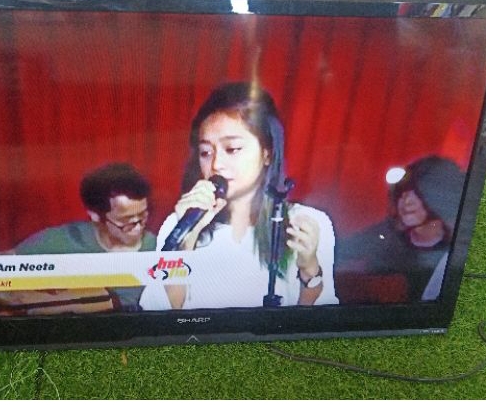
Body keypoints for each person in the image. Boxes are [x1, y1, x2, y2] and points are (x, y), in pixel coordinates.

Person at [140, 82, 338, 310]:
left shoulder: (307, 223)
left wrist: (310, 270)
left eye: (232, 149)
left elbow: (317, 324)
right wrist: (186, 243)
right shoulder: (179, 224)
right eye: (206, 152)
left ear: (267, 153)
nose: (216, 164)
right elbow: (158, 317)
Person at [0, 162, 156, 311]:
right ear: (95, 215)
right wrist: (35, 302)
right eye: (126, 221)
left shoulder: (157, 248)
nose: (138, 227)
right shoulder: (63, 238)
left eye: (142, 215)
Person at [336, 156, 465, 302]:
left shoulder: (457, 250)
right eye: (403, 191)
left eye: (419, 193)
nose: (406, 201)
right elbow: (339, 252)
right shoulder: (385, 235)